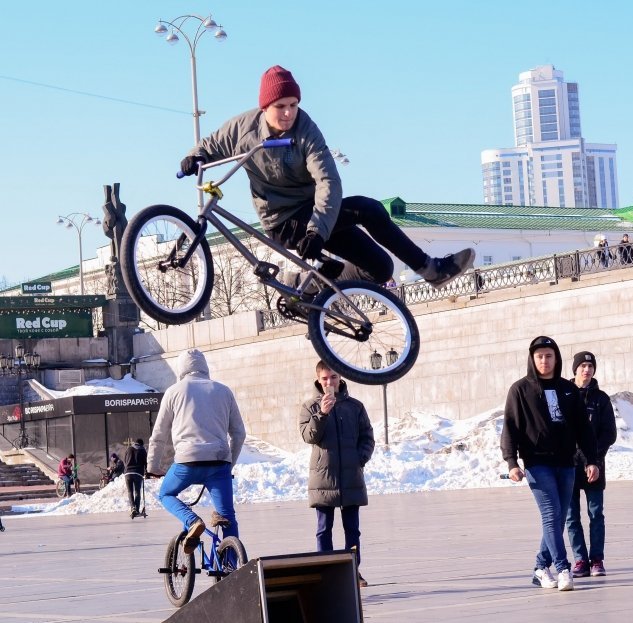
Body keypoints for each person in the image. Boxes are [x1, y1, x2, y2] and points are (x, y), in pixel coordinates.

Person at [179, 65, 475, 292]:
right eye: (280, 107)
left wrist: (317, 231)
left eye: (293, 105)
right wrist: (196, 156)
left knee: (381, 269)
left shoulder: (306, 130)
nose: (288, 114)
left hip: (316, 218)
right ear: (265, 108)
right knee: (369, 208)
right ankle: (431, 269)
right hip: (283, 223)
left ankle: (308, 285)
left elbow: (328, 182)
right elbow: (211, 144)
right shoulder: (244, 128)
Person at [501, 336, 599, 592]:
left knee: (557, 517)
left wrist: (591, 459)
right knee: (551, 514)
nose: (544, 361)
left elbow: (583, 429)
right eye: (539, 356)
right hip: (537, 463)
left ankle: (539, 567)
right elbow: (510, 427)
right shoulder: (520, 390)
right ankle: (563, 568)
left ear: (556, 358)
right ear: (532, 360)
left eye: (549, 356)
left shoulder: (568, 390)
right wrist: (512, 462)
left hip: (566, 462)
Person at [147, 349, 246, 554]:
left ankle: (192, 521)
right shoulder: (224, 391)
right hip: (219, 462)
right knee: (227, 516)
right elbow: (239, 434)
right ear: (204, 367)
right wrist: (229, 464)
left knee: (166, 493)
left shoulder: (174, 392)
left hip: (187, 462)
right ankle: (231, 568)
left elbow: (159, 434)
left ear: (181, 369)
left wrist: (153, 467)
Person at [299, 361, 375, 588]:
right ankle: (325, 572)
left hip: (350, 476)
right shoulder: (310, 407)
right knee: (324, 529)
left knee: (352, 529)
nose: (329, 383)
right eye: (324, 379)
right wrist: (322, 413)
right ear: (318, 380)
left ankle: (353, 571)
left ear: (340, 378)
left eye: (333, 377)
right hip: (323, 478)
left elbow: (367, 437)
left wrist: (359, 459)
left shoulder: (355, 406)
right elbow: (309, 436)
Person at [565, 351, 617, 579]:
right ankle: (579, 560)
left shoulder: (601, 399)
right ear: (575, 368)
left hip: (594, 466)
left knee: (596, 514)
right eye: (583, 366)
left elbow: (609, 433)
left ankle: (596, 559)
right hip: (567, 466)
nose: (587, 370)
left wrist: (594, 459)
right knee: (571, 516)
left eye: (590, 366)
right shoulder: (563, 394)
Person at [123, 438, 148, 518]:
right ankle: (136, 509)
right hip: (138, 473)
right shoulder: (142, 450)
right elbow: (146, 462)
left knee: (130, 492)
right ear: (141, 444)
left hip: (128, 473)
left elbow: (124, 460)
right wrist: (146, 472)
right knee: (137, 492)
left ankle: (133, 507)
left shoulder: (129, 449)